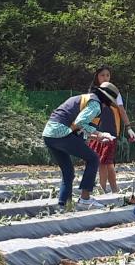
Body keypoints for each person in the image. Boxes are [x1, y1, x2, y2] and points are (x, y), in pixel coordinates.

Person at [42, 82, 121, 210]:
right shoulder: (95, 104)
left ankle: (63, 205)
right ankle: (85, 198)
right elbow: (80, 121)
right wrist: (100, 133)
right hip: (62, 133)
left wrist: (97, 137)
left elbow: (77, 127)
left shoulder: (83, 99)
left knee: (68, 172)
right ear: (106, 99)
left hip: (50, 135)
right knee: (93, 159)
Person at [87, 66, 135, 194]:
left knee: (105, 161)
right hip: (96, 131)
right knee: (104, 162)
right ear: (97, 76)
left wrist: (129, 127)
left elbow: (122, 111)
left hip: (110, 130)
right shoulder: (93, 92)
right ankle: (112, 189)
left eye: (108, 75)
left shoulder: (114, 93)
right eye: (102, 75)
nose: (105, 77)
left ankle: (105, 189)